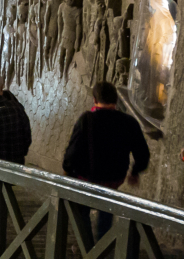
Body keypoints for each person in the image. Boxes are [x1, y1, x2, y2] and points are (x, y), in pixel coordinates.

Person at [62, 81, 150, 242]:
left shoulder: (86, 120)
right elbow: (142, 152)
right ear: (116, 101)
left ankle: (87, 248)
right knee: (106, 212)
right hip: (113, 180)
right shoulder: (129, 122)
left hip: (87, 178)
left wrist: (67, 170)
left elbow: (72, 153)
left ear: (95, 99)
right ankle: (102, 246)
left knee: (81, 212)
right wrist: (135, 171)